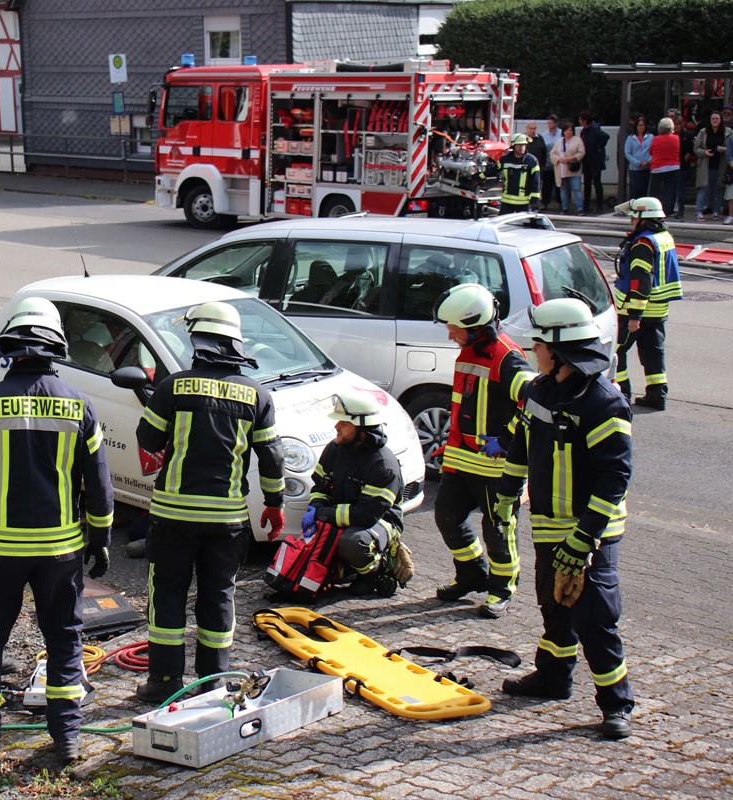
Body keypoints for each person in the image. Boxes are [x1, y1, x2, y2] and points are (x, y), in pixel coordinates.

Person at [0, 297, 113, 766]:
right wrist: (100, 537)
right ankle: (68, 739)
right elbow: (98, 484)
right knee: (63, 640)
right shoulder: (80, 405)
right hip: (60, 552)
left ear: (10, 347)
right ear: (57, 346)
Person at [497, 298, 635, 741]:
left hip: (589, 533)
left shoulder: (603, 403)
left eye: (538, 343)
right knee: (554, 607)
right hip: (548, 525)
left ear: (558, 349)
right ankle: (554, 678)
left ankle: (617, 704)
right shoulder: (540, 391)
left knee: (594, 618)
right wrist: (505, 494)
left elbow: (615, 478)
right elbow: (520, 443)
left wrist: (583, 540)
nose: (532, 350)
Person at [134, 301, 285, 705]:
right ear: (234, 343)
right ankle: (213, 681)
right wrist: (274, 503)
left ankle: (164, 681)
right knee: (219, 594)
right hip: (227, 520)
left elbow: (147, 439)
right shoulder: (258, 395)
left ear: (197, 340)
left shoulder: (172, 387)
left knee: (167, 594)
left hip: (173, 517)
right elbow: (273, 458)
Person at [432, 284, 535, 618]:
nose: (450, 336)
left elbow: (532, 401)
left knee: (498, 529)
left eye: (454, 330)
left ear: (475, 327)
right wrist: (452, 441)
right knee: (447, 516)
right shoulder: (470, 352)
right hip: (461, 458)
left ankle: (502, 589)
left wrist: (505, 440)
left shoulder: (507, 357)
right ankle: (473, 573)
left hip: (495, 467)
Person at [300, 390, 414, 597]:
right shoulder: (335, 449)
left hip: (379, 521)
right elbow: (320, 486)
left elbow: (365, 515)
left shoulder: (383, 466)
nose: (336, 427)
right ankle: (349, 568)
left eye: (343, 423)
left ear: (362, 428)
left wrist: (321, 514)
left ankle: (376, 573)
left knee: (353, 542)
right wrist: (315, 507)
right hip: (344, 515)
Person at [612, 197, 683, 411]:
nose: (631, 221)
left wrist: (635, 315)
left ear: (644, 218)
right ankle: (657, 396)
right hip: (659, 309)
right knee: (653, 352)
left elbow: (641, 279)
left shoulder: (643, 243)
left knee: (617, 350)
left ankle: (621, 394)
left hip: (637, 310)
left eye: (634, 217)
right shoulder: (663, 237)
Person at [693, 111, 730, 220]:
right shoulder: (703, 132)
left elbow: (731, 149)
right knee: (703, 188)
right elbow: (696, 148)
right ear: (710, 120)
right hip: (705, 165)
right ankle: (699, 211)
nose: (715, 120)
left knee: (718, 188)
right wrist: (704, 153)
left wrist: (723, 149)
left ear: (720, 120)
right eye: (713, 118)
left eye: (717, 118)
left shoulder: (728, 132)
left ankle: (715, 211)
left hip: (720, 164)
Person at [498, 133, 540, 214]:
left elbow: (536, 180)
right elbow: (493, 170)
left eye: (524, 145)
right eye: (519, 145)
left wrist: (535, 198)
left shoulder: (532, 161)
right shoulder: (505, 159)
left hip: (524, 203)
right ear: (513, 146)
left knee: (524, 225)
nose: (522, 148)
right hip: (507, 202)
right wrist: (480, 175)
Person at [550, 123, 586, 215]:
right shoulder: (559, 141)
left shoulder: (577, 140)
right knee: (563, 190)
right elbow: (552, 153)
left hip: (573, 170)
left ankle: (580, 208)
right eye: (566, 130)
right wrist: (558, 159)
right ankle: (564, 207)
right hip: (561, 169)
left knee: (576, 189)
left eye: (570, 130)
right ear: (563, 132)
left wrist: (570, 159)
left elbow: (581, 153)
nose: (568, 132)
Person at [577, 110, 608, 214]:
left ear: (585, 120)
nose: (579, 121)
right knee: (587, 184)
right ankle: (586, 205)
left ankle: (599, 206)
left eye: (581, 119)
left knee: (597, 183)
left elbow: (605, 136)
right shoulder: (584, 131)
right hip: (587, 160)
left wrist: (598, 148)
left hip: (594, 161)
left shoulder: (595, 129)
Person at [647, 118, 679, 215]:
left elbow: (650, 151)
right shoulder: (676, 138)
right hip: (673, 167)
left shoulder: (656, 139)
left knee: (654, 191)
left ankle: (653, 210)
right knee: (668, 191)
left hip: (658, 167)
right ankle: (666, 211)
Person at [623, 116, 652, 200]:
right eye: (639, 125)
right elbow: (627, 153)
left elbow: (654, 151)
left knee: (646, 190)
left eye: (643, 125)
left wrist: (648, 161)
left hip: (647, 168)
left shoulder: (651, 137)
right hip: (635, 169)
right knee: (636, 190)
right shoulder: (630, 138)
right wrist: (638, 163)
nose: (641, 127)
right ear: (636, 126)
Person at [674, 117, 695, 220]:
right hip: (671, 165)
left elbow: (692, 149)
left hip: (682, 165)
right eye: (674, 125)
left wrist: (689, 154)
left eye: (678, 125)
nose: (676, 127)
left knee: (680, 189)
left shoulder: (688, 135)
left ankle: (680, 211)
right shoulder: (670, 136)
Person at [542, 115, 562, 209]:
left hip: (559, 163)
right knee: (546, 185)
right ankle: (545, 203)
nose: (550, 124)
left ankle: (561, 203)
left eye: (552, 122)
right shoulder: (544, 135)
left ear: (556, 123)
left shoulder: (561, 134)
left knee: (559, 184)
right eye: (548, 122)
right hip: (548, 163)